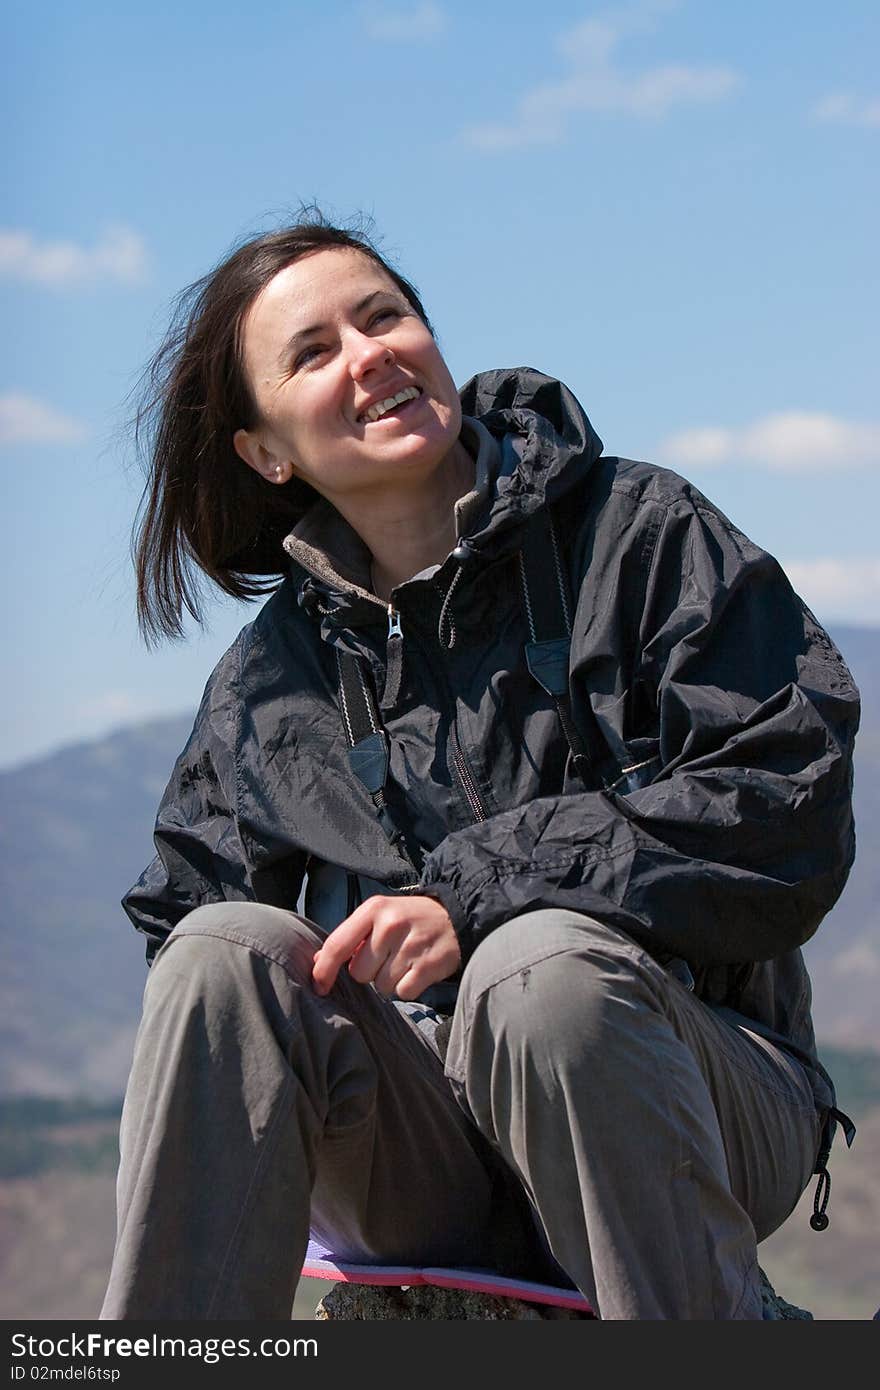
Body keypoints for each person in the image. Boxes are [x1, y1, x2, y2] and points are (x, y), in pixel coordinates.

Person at [100, 212, 859, 1322]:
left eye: (383, 316)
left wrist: (481, 890)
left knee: (539, 967)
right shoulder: (273, 682)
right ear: (266, 450)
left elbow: (784, 803)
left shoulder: (641, 538)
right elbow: (192, 951)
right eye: (313, 352)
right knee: (224, 953)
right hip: (425, 1160)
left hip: (695, 1087)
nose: (368, 356)